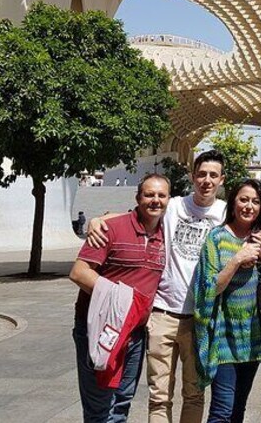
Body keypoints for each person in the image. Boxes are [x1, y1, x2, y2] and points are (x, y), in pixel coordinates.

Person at [88, 150, 234, 423]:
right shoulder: (174, 205)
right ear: (193, 177)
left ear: (222, 179)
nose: (206, 180)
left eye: (213, 175)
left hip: (201, 319)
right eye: (201, 174)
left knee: (194, 394)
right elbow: (135, 213)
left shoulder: (226, 212)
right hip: (162, 314)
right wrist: (98, 220)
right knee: (159, 396)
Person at [69, 173, 171, 422]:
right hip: (101, 329)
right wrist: (122, 300)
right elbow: (79, 272)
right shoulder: (112, 228)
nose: (155, 200)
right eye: (149, 194)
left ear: (169, 200)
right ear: (138, 198)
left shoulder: (166, 233)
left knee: (122, 402)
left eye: (161, 195)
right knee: (100, 407)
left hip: (134, 334)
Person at [193, 179, 261, 423]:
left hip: (253, 337)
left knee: (238, 409)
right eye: (243, 199)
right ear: (233, 202)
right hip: (223, 338)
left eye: (255, 202)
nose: (249, 206)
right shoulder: (216, 238)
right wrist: (237, 260)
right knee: (222, 411)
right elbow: (208, 288)